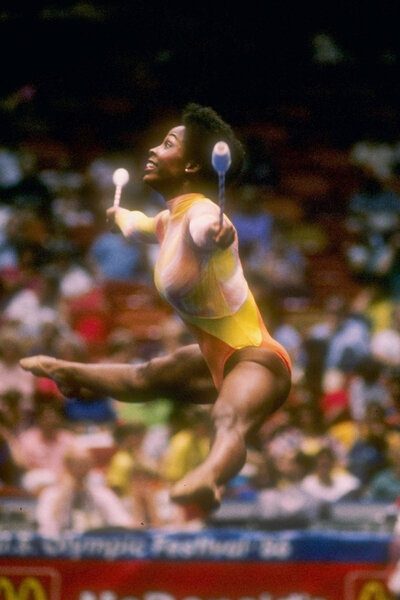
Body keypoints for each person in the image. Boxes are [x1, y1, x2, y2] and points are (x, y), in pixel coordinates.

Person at [20, 103, 292, 512]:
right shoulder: (168, 220)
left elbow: (207, 228)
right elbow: (138, 224)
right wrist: (121, 216)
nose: (152, 149)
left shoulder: (203, 215)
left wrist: (219, 232)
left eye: (167, 144)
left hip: (259, 362)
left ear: (189, 167)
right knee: (147, 376)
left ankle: (208, 477)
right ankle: (68, 371)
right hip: (215, 359)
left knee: (227, 418)